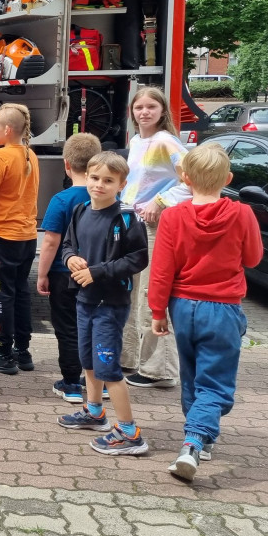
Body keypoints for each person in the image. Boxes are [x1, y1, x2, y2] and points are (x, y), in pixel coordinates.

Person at [148, 144, 262, 481]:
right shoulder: (242, 214)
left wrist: (157, 311)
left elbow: (162, 270)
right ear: (228, 178)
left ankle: (200, 437)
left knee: (193, 374)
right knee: (215, 384)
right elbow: (254, 259)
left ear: (184, 177)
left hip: (182, 307)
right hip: (223, 308)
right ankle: (195, 441)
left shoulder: (172, 216)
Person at [58, 152, 149, 456]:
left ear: (121, 184)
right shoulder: (82, 210)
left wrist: (96, 272)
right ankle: (94, 412)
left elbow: (137, 258)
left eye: (108, 180)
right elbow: (67, 244)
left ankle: (129, 432)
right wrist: (70, 258)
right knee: (88, 360)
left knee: (108, 367)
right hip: (85, 300)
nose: (99, 185)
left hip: (110, 303)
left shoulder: (126, 217)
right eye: (94, 178)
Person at [121, 86, 190, 390]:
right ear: (132, 112)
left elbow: (195, 180)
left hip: (156, 227)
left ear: (163, 111)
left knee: (153, 294)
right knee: (133, 294)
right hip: (133, 224)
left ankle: (161, 370)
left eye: (151, 107)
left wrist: (160, 201)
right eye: (139, 108)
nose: (144, 112)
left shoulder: (165, 142)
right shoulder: (137, 141)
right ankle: (133, 359)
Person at [37, 133, 102, 403]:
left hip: (65, 275)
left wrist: (42, 274)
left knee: (67, 328)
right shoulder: (106, 197)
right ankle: (101, 382)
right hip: (98, 275)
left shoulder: (61, 201)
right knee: (97, 327)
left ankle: (72, 383)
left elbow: (51, 242)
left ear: (67, 164)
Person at [0, 104, 40, 376]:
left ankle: (3, 353)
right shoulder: (30, 155)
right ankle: (23, 351)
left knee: (1, 295)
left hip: (1, 238)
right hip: (27, 237)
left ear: (7, 129)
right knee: (21, 293)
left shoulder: (0, 157)